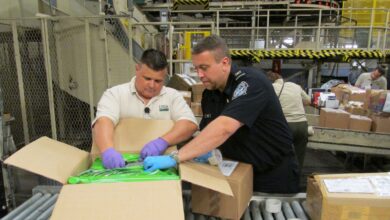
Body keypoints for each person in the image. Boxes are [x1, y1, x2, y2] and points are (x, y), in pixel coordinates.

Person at [143, 35, 300, 194]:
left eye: (204, 67)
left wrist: (175, 158)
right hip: (237, 172)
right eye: (196, 68)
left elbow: (225, 127)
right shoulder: (210, 94)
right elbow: (209, 132)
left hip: (273, 176)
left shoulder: (251, 83)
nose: (200, 75)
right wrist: (207, 150)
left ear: (224, 63)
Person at [92, 49, 198, 169]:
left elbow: (189, 124)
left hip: (159, 167)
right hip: (119, 165)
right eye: (147, 78)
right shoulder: (115, 94)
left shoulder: (172, 96)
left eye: (158, 81)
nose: (152, 85)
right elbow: (103, 121)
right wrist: (107, 150)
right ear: (137, 69)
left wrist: (162, 142)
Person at [266, 71, 311, 172]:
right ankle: (296, 180)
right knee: (299, 155)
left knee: (280, 153)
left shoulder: (271, 88)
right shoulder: (295, 86)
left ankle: (282, 178)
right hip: (302, 125)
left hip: (285, 126)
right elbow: (308, 101)